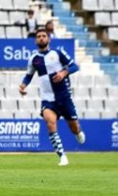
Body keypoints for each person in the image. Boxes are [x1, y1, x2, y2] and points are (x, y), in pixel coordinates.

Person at [19, 29, 85, 166]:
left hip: (64, 97)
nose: (41, 38)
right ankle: (62, 157)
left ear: (49, 39)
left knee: (74, 128)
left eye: (44, 36)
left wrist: (63, 73)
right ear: (35, 40)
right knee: (50, 124)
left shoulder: (57, 53)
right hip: (48, 99)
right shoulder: (33, 59)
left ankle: (78, 133)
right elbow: (29, 75)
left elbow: (74, 66)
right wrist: (22, 86)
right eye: (39, 37)